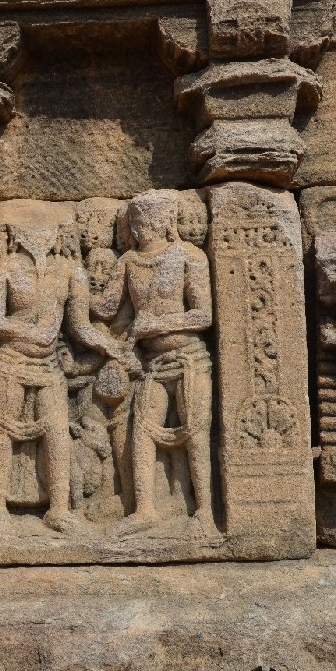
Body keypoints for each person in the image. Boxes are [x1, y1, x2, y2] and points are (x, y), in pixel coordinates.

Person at [0, 223, 139, 536]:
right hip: (10, 361)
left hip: (48, 366)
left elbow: (80, 327)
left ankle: (58, 509)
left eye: (46, 231)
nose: (39, 237)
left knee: (56, 430)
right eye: (31, 230)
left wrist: (114, 349)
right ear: (17, 236)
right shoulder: (2, 269)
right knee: (2, 430)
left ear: (57, 236)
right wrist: (32, 331)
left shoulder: (69, 271)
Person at [91, 190, 218, 537]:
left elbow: (203, 315)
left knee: (195, 432)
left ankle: (205, 512)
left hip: (189, 359)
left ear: (166, 222)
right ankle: (145, 510)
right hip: (152, 364)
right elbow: (106, 307)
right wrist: (72, 286)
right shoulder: (128, 261)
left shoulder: (188, 256)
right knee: (142, 431)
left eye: (148, 220)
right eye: (135, 221)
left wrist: (157, 325)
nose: (140, 228)